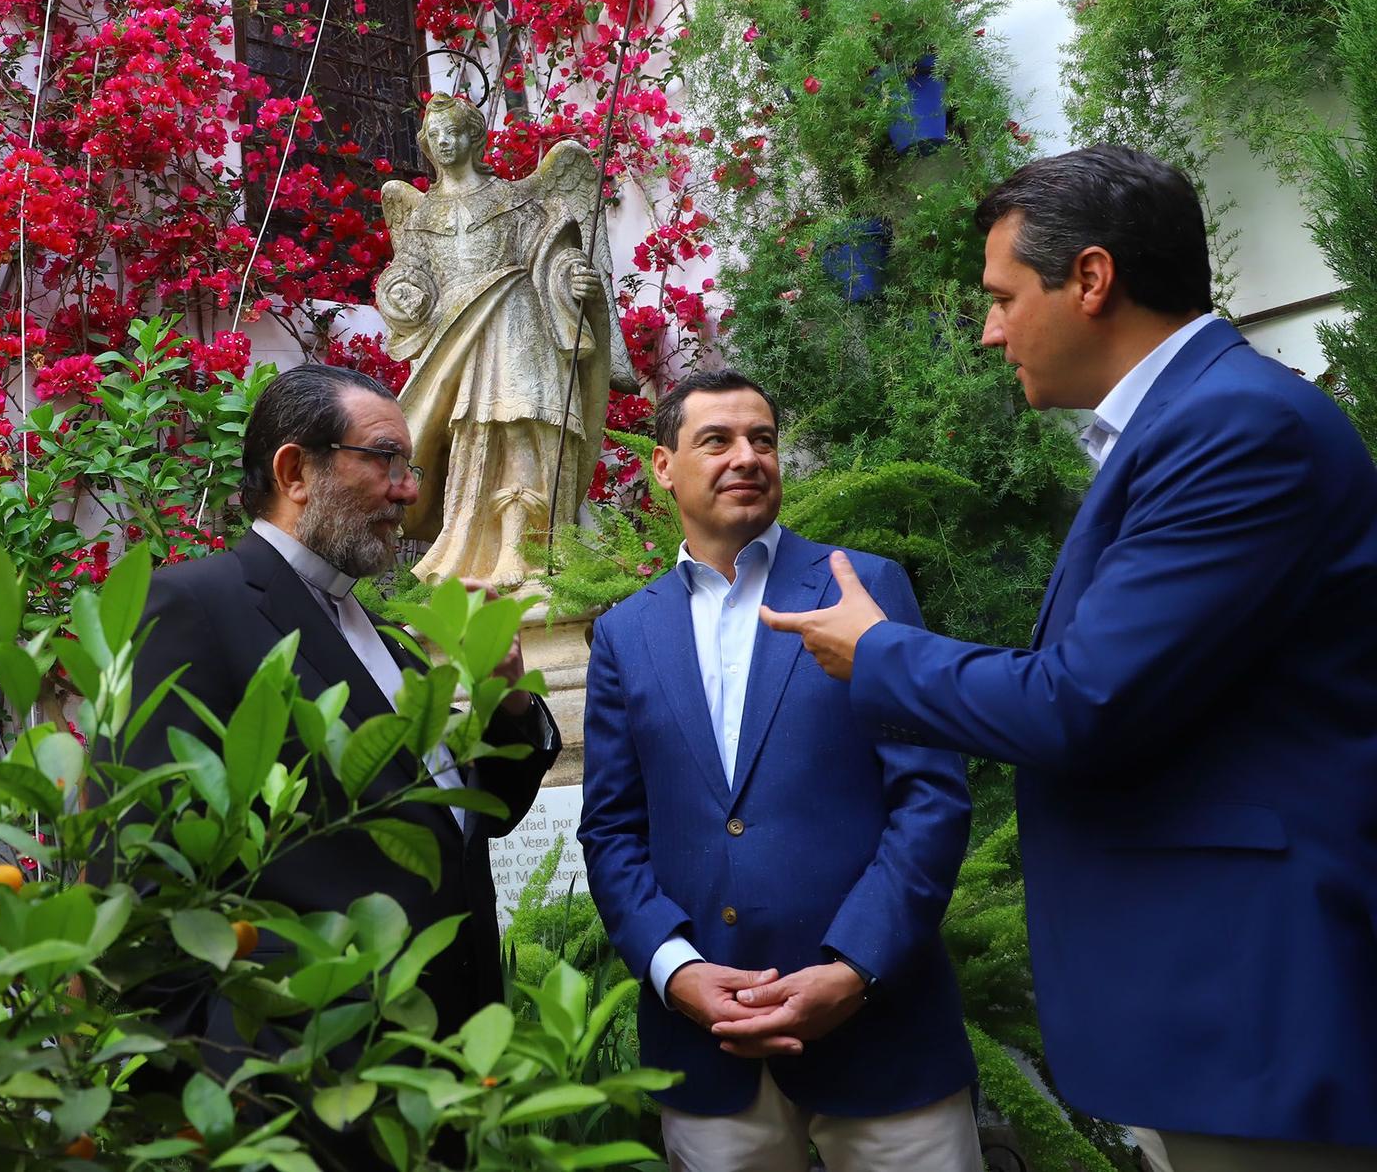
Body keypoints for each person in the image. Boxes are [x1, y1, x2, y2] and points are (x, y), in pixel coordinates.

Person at [762, 145, 1377, 1170]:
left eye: (1001, 295)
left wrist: (877, 654)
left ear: (1089, 279)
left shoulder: (1232, 428)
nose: (988, 328)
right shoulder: (1193, 425)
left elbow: (1081, 702)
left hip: (1254, 998)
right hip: (1217, 1004)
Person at [579, 369, 978, 1172]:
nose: (747, 456)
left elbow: (929, 798)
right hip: (709, 1059)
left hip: (881, 1039)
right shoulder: (626, 633)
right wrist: (674, 970)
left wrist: (854, 966)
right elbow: (613, 830)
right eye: (716, 439)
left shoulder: (864, 588)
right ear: (663, 466)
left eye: (762, 439)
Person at [125, 362, 561, 1070]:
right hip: (303, 1068)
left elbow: (481, 814)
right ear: (295, 471)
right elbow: (145, 866)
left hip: (445, 1063)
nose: (410, 490)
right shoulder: (194, 606)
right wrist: (227, 1069)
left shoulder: (388, 639)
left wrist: (505, 697)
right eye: (386, 459)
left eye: (409, 466)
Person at [374, 92, 636, 587]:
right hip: (461, 340)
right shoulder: (421, 215)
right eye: (436, 136)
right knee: (475, 437)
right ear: (427, 145)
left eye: (455, 132)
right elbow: (407, 275)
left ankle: (527, 550)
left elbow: (550, 253)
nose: (445, 142)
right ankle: (473, 551)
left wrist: (570, 276)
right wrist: (401, 296)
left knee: (525, 426)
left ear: (475, 138)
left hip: (520, 325)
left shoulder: (515, 200)